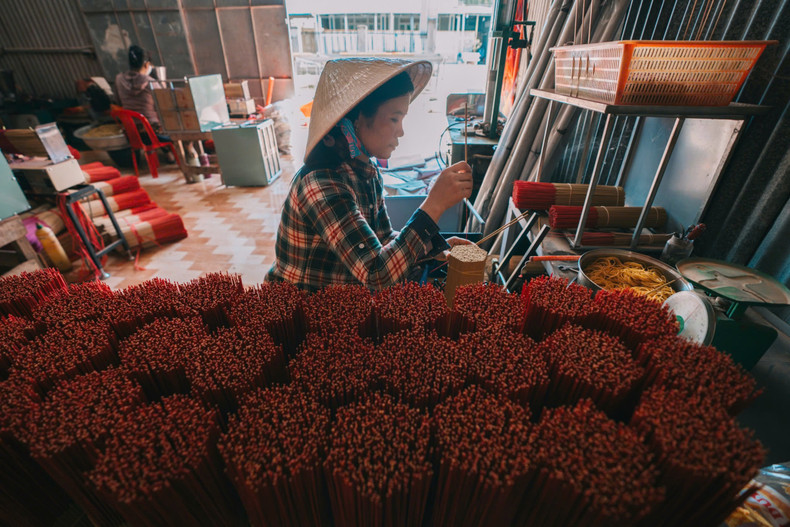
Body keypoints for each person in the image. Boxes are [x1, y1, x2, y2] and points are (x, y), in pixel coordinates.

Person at [267, 58, 473, 292]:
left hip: (341, 300)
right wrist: (434, 205)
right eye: (394, 119)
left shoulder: (367, 173)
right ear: (356, 121)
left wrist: (434, 249)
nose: (401, 131)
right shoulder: (321, 185)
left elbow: (382, 239)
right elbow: (376, 274)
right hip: (302, 305)